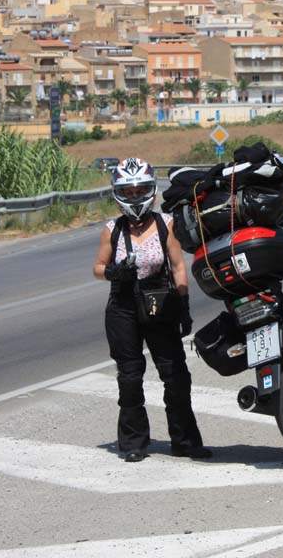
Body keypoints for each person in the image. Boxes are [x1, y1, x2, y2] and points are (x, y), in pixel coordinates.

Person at [92, 157, 212, 463]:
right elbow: (98, 267)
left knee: (176, 375)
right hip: (122, 307)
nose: (134, 197)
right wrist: (114, 272)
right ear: (118, 194)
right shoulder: (112, 229)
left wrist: (183, 305)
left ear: (151, 191)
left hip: (160, 303)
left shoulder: (165, 224)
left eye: (140, 191)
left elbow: (178, 267)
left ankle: (185, 441)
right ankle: (133, 442)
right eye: (128, 192)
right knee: (130, 377)